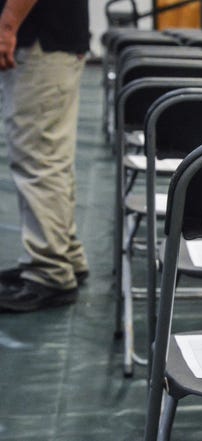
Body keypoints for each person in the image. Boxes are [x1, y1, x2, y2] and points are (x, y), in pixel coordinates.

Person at [0, 0, 90, 312]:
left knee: (38, 160)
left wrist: (7, 25)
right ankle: (63, 255)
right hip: (55, 38)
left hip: (40, 41)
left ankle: (49, 272)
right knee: (51, 157)